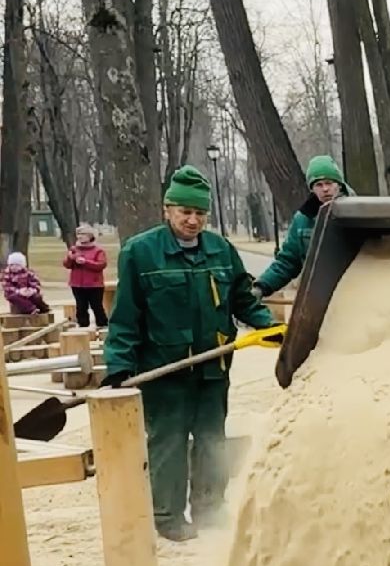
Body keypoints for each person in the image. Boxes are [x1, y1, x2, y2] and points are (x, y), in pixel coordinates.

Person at [104, 166, 274, 542]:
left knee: (212, 438)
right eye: (185, 212)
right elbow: (126, 319)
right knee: (168, 442)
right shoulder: (141, 253)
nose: (192, 220)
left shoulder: (221, 250)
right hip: (165, 372)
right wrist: (118, 366)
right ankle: (167, 517)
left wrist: (269, 328)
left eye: (199, 213)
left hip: (213, 367)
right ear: (168, 209)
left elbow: (243, 300)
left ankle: (210, 508)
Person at [254, 155, 351, 298]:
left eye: (329, 183)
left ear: (339, 184)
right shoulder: (303, 220)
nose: (325, 189)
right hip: (317, 298)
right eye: (319, 185)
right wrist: (261, 287)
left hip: (353, 293)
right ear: (312, 189)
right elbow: (287, 261)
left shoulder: (358, 214)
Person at [63, 224, 109, 328]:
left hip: (94, 284)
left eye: (83, 234)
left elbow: (101, 265)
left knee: (96, 306)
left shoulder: (98, 250)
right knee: (81, 306)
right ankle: (83, 326)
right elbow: (67, 265)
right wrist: (70, 258)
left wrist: (85, 262)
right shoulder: (74, 249)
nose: (80, 236)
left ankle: (102, 325)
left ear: (90, 236)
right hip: (77, 284)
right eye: (78, 234)